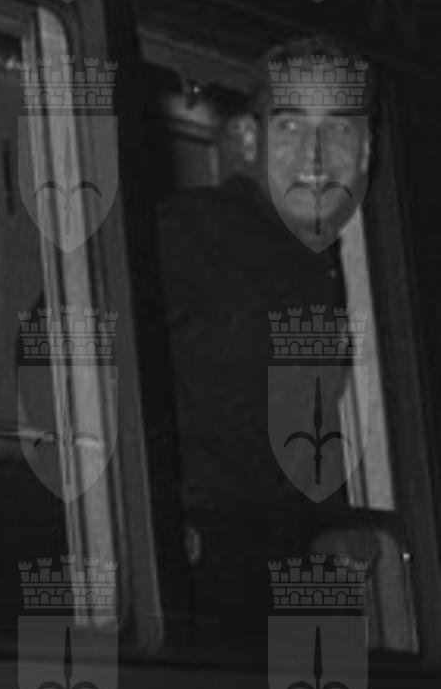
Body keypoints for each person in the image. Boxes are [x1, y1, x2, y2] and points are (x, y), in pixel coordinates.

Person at [148, 35, 373, 624]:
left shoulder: (341, 264)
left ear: (364, 150)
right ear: (251, 137)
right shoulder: (189, 232)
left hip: (297, 576)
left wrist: (335, 521)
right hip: (204, 580)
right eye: (292, 126)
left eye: (338, 129)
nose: (316, 154)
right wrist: (148, 511)